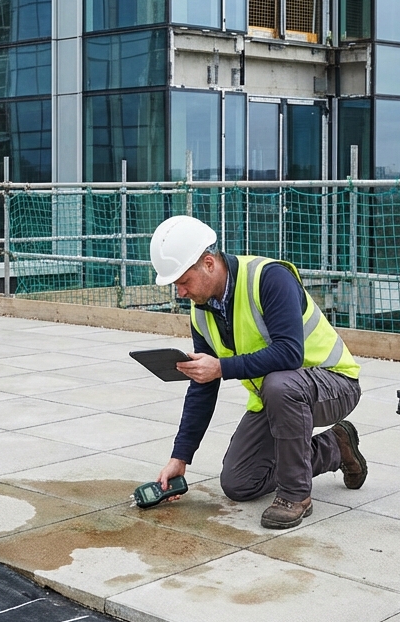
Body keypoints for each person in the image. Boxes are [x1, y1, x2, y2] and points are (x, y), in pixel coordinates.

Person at [150, 215, 367, 529]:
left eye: (183, 281)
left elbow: (290, 353)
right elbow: (202, 385)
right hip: (277, 397)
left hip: (334, 383)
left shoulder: (269, 278)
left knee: (281, 384)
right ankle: (337, 445)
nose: (180, 292)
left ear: (208, 263)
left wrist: (222, 368)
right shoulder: (202, 313)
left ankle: (296, 495)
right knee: (239, 483)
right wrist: (180, 457)